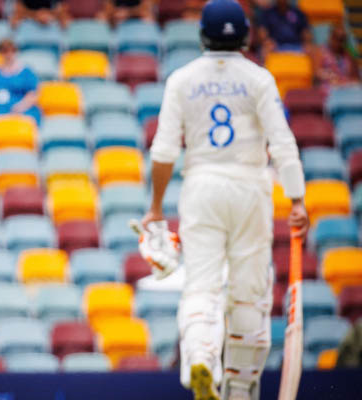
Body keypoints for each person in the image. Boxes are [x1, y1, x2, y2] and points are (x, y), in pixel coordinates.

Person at [139, 1, 309, 399]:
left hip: (202, 184)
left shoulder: (182, 79)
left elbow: (163, 151)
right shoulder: (259, 79)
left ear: (202, 35)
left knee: (202, 286)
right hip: (250, 185)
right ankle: (238, 386)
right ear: (245, 36)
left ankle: (200, 357)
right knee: (249, 290)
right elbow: (282, 142)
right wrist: (297, 198)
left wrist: (156, 207)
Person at [0, 38, 41, 125]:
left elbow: (33, 95)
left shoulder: (26, 72)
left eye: (12, 50)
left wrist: (20, 107)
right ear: (0, 53)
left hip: (21, 109)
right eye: (5, 51)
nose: (9, 54)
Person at [313, 24, 360, 91]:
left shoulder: (349, 55)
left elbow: (356, 78)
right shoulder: (320, 51)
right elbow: (316, 73)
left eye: (342, 39)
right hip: (328, 89)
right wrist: (330, 76)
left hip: (347, 88)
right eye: (336, 38)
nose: (339, 42)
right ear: (331, 37)